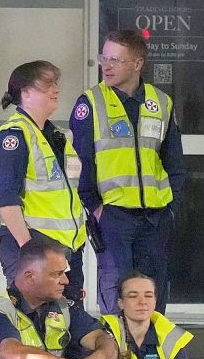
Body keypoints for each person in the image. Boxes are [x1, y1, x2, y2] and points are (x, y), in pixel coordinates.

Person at [69, 30, 187, 316]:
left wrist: (173, 207)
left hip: (154, 215)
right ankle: (118, 355)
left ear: (137, 64)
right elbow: (79, 162)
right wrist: (95, 208)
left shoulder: (161, 103)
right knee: (115, 288)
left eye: (115, 60)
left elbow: (174, 162)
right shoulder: (91, 104)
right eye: (104, 58)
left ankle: (150, 353)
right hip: (113, 215)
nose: (106, 66)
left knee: (152, 289)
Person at [0, 61, 87, 305]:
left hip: (66, 249)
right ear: (25, 93)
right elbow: (5, 198)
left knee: (67, 326)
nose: (56, 90)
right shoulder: (14, 135)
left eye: (56, 83)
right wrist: (30, 250)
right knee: (33, 323)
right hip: (34, 248)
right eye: (47, 84)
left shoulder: (56, 136)